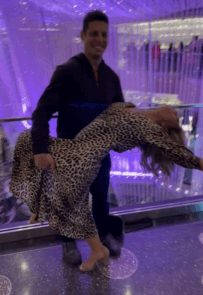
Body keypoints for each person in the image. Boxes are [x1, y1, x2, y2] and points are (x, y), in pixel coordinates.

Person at [10, 102, 203, 272]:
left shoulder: (151, 129)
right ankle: (94, 248)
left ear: (165, 126)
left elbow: (188, 159)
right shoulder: (134, 108)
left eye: (176, 118)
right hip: (76, 146)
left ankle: (90, 245)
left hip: (87, 157)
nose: (175, 111)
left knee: (74, 203)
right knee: (27, 142)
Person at [30, 10, 127, 264]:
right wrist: (40, 149)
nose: (100, 39)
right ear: (83, 36)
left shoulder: (111, 79)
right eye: (94, 33)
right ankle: (67, 243)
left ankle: (104, 234)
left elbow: (119, 115)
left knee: (101, 199)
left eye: (104, 35)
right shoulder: (66, 72)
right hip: (70, 156)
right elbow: (41, 112)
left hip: (99, 156)